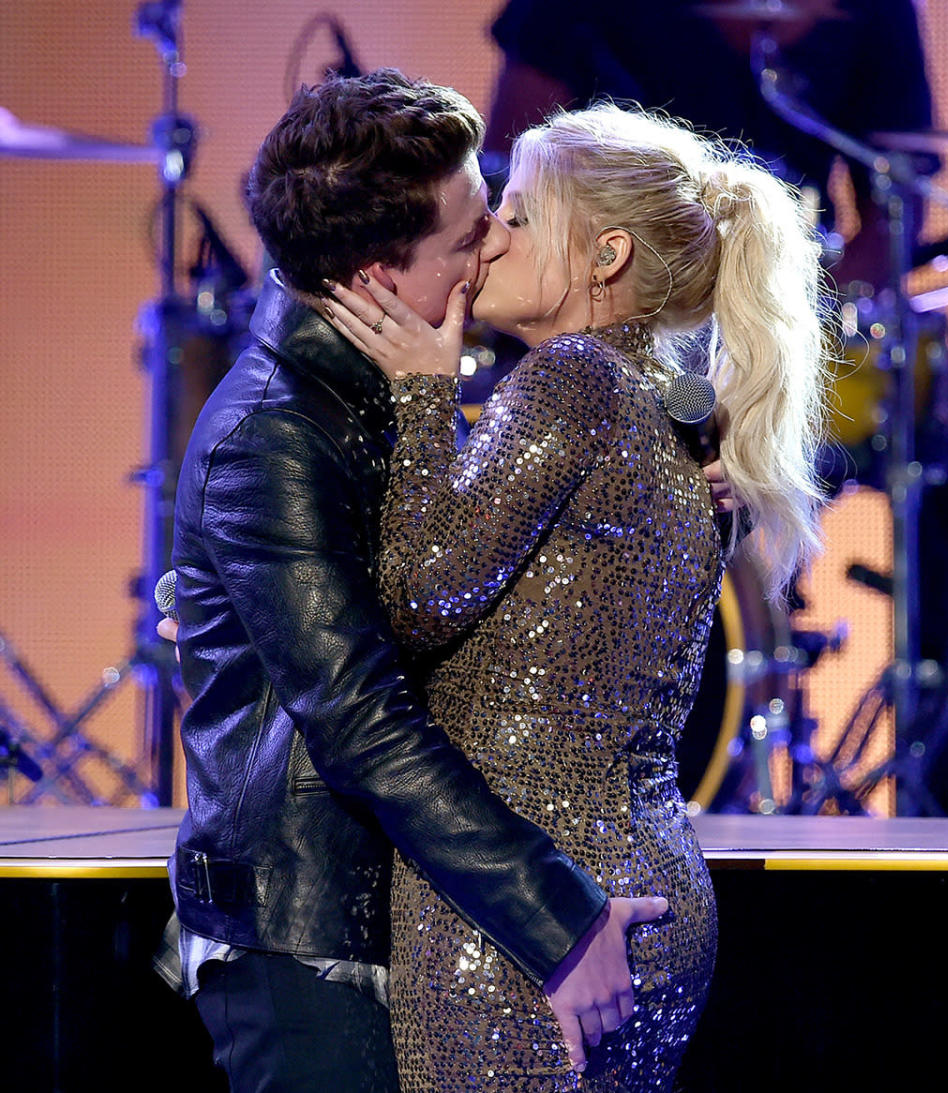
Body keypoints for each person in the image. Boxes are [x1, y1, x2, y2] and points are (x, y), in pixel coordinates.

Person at [163, 70, 676, 1093]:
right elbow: (363, 725)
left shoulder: (392, 386)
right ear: (377, 278)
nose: (492, 247)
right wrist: (561, 917)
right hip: (311, 951)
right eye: (468, 235)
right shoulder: (274, 439)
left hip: (401, 916)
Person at [322, 101, 828, 1089]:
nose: (488, 236)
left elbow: (420, 595)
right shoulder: (660, 417)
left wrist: (424, 393)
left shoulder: (571, 384)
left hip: (525, 920)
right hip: (647, 896)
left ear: (603, 255)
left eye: (515, 211)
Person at [484, 0, 938, 291]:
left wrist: (820, 314)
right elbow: (515, 167)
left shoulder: (879, 11)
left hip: (783, 286)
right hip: (608, 290)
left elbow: (896, 205)